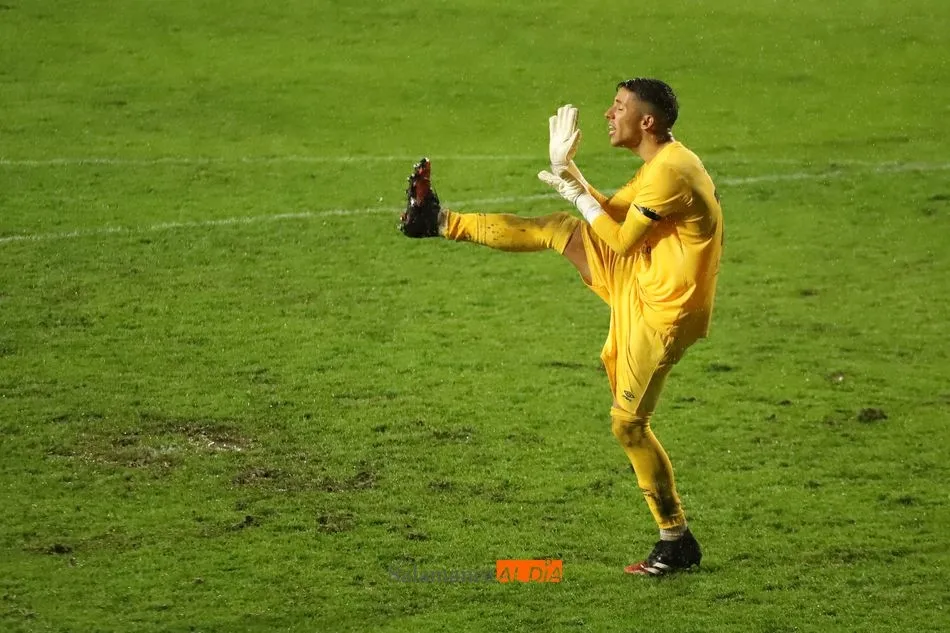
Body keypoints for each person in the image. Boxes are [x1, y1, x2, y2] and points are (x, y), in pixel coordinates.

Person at [399, 78, 724, 576]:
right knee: (559, 227)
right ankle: (436, 220)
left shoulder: (672, 174)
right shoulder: (660, 165)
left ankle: (676, 540)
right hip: (642, 274)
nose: (607, 115)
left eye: (618, 108)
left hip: (663, 311)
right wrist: (567, 172)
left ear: (647, 122)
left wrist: (575, 188)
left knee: (628, 424)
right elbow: (610, 216)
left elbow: (616, 240)